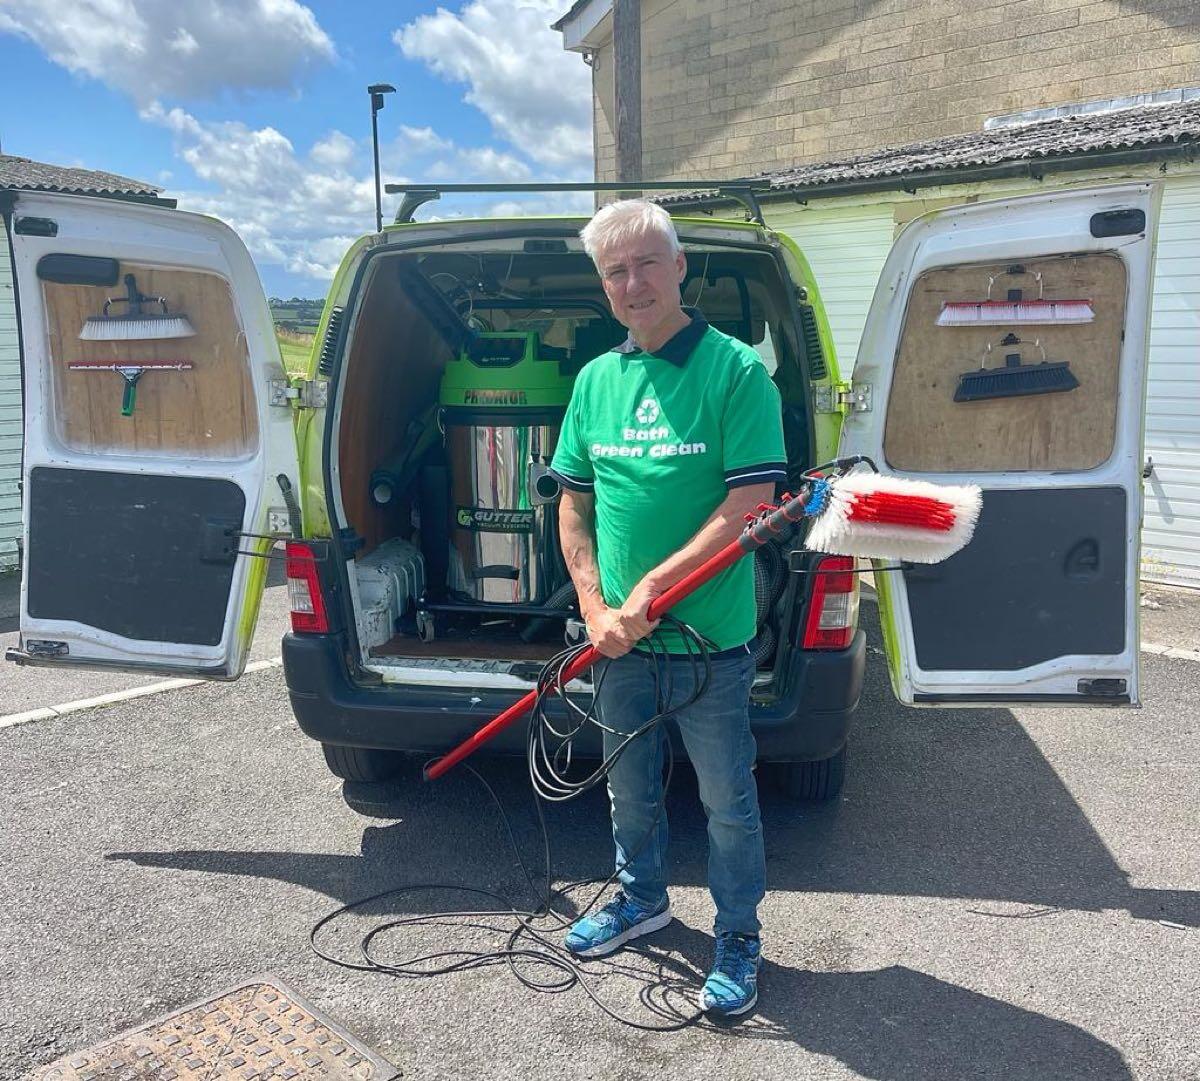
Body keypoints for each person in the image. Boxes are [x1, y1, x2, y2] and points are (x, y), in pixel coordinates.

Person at [547, 199, 786, 1017]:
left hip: (708, 642)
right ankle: (640, 900)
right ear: (603, 286)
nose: (633, 282)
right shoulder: (595, 379)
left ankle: (739, 935)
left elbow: (751, 504)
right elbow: (571, 505)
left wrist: (650, 588)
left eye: (647, 262)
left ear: (681, 266)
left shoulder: (735, 371)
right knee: (629, 789)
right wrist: (597, 603)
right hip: (620, 644)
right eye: (615, 271)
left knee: (727, 801)